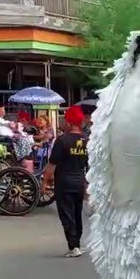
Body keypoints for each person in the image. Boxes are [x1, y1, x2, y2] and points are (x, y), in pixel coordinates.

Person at [44, 105, 89, 256]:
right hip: (79, 182)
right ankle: (77, 243)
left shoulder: (62, 140)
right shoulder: (86, 140)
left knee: (67, 215)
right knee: (77, 213)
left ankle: (73, 246)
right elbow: (90, 165)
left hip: (64, 183)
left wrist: (45, 183)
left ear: (69, 123)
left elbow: (52, 165)